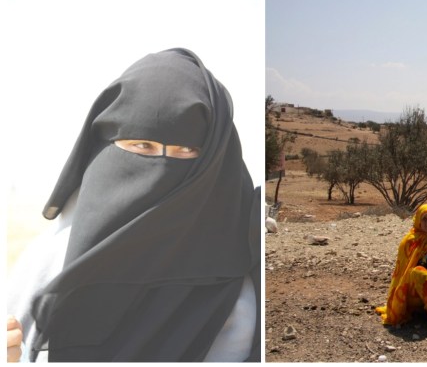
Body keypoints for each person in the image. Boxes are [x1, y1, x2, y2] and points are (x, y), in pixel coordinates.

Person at [6, 48, 261, 362]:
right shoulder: (46, 266)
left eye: (186, 149)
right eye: (143, 145)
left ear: (216, 160)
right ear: (106, 146)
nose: (161, 170)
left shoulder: (244, 285)